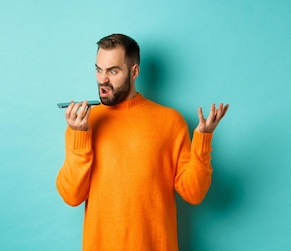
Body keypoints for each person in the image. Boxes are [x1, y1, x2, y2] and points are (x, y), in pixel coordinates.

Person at [55, 33, 229, 251]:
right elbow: (71, 196)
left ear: (134, 72)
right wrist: (79, 135)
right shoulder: (83, 123)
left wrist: (203, 140)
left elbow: (193, 193)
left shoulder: (170, 121)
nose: (102, 79)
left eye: (113, 71)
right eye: (98, 69)